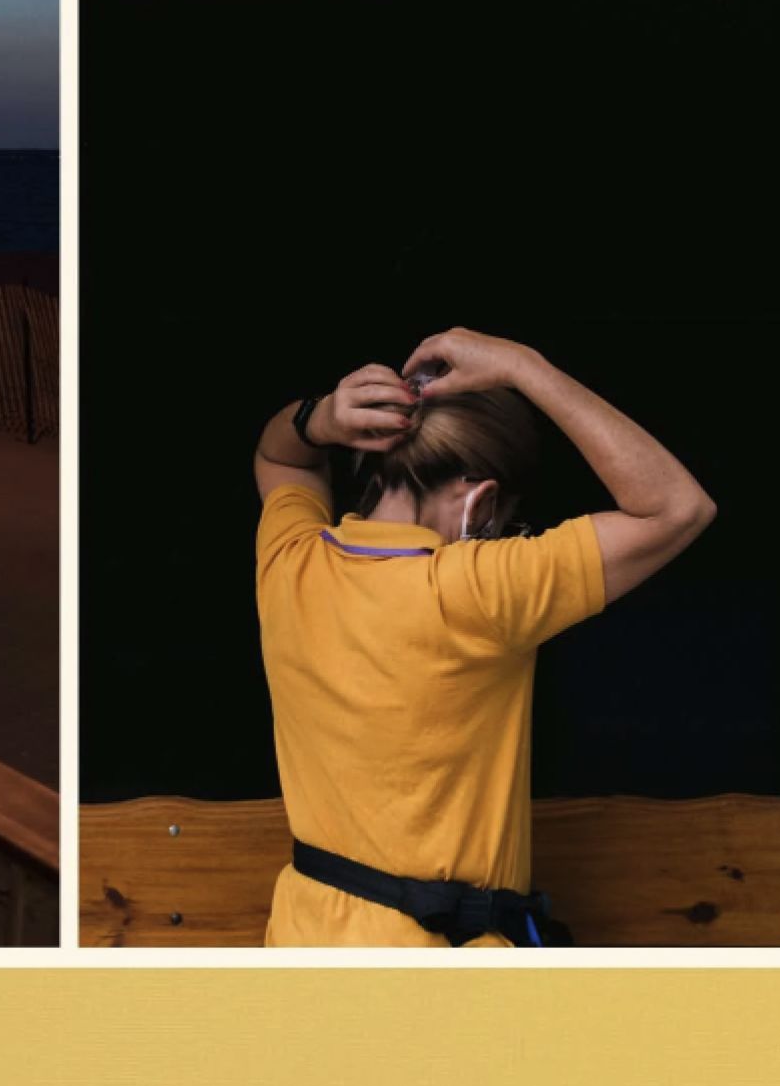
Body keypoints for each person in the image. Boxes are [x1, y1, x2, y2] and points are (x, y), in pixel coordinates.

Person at [249, 326, 717, 946]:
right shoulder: (481, 592)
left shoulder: (291, 562)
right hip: (437, 982)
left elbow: (281, 456)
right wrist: (527, 366)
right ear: (483, 503)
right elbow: (677, 507)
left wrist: (319, 418)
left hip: (301, 955)